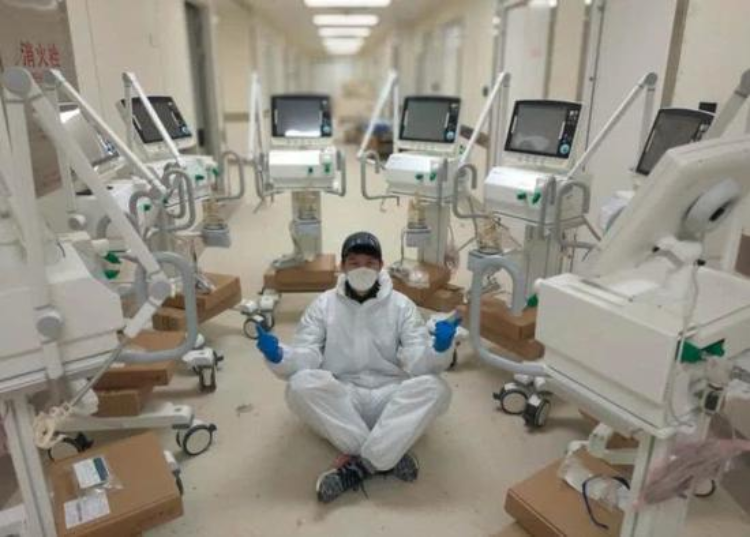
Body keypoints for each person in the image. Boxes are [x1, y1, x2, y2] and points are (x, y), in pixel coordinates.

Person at [256, 231, 460, 503]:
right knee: (298, 386)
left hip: (389, 396)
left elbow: (419, 363)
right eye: (354, 263)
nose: (362, 269)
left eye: (370, 263)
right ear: (342, 266)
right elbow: (307, 357)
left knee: (436, 389)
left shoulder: (402, 306)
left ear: (381, 266)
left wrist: (439, 350)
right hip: (342, 398)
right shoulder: (323, 305)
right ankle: (387, 454)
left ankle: (361, 465)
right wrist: (279, 355)